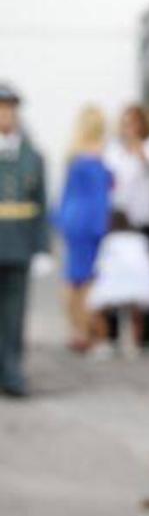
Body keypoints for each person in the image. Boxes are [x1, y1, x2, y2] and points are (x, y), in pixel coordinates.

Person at [104, 103, 149, 349]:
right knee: (115, 274)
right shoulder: (113, 150)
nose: (128, 128)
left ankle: (148, 335)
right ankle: (113, 333)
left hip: (143, 221)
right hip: (118, 220)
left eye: (133, 123)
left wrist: (134, 142)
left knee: (146, 276)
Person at [0, 81, 46, 398]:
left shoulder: (32, 156)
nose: (6, 115)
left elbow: (40, 204)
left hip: (18, 245)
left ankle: (12, 374)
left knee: (14, 317)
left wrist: (42, 248)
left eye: (10, 109)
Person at [55, 103, 111, 353]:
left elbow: (65, 193)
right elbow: (100, 198)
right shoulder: (96, 156)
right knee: (88, 280)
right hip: (89, 221)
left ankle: (76, 329)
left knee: (72, 278)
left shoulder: (74, 154)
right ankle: (86, 332)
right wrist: (102, 226)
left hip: (72, 219)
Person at [86, 210, 149, 353]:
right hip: (143, 286)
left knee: (97, 307)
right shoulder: (140, 239)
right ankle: (136, 344)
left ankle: (104, 341)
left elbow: (100, 267)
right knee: (137, 312)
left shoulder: (109, 241)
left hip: (114, 288)